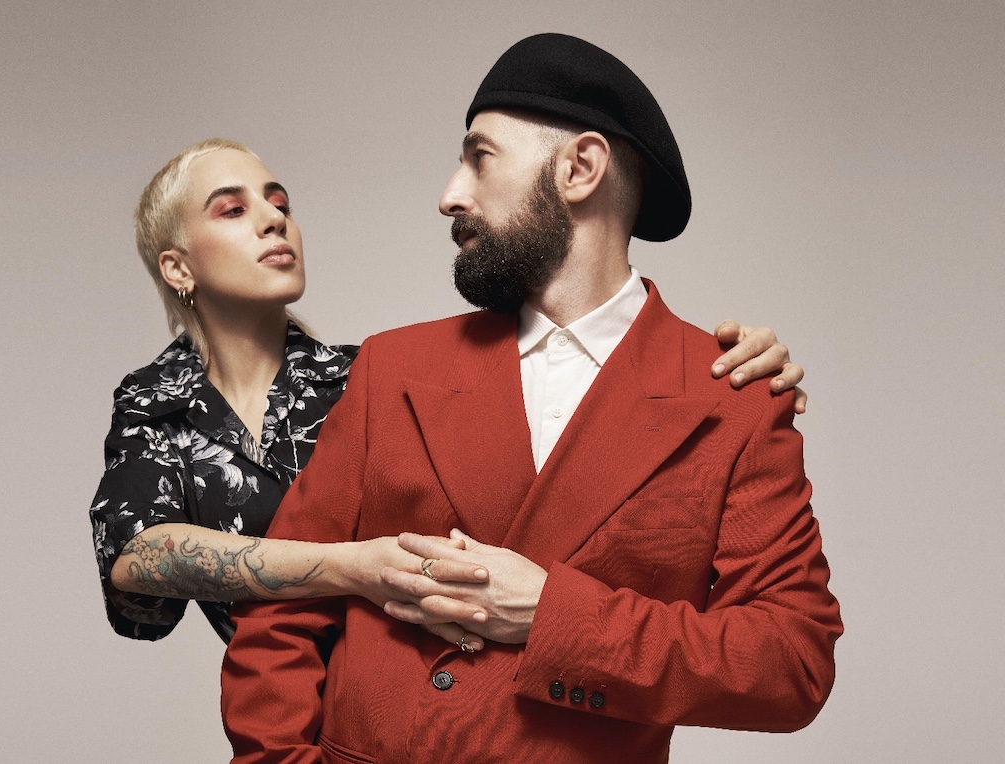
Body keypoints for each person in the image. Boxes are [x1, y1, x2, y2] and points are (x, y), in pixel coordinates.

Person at [219, 34, 841, 763]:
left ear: (579, 168)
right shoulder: (394, 367)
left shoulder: (732, 396)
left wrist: (553, 615)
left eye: (480, 158)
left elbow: (790, 663)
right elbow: (282, 603)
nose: (450, 195)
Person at [89, 137, 804, 649]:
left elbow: (560, 348)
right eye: (232, 210)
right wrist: (354, 567)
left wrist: (710, 370)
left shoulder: (374, 375)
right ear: (177, 267)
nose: (274, 218)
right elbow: (135, 557)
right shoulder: (153, 402)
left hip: (445, 700)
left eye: (280, 202)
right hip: (288, 709)